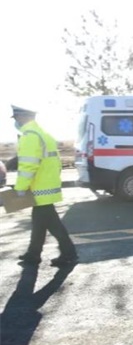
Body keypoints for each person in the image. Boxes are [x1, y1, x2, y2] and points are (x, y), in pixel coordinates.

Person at [11, 105, 78, 267]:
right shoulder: (44, 134)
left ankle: (69, 254)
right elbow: (55, 163)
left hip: (39, 189)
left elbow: (28, 166)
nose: (16, 122)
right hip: (46, 187)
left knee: (52, 224)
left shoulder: (29, 136)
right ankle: (33, 254)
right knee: (39, 223)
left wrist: (20, 188)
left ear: (22, 117)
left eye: (16, 118)